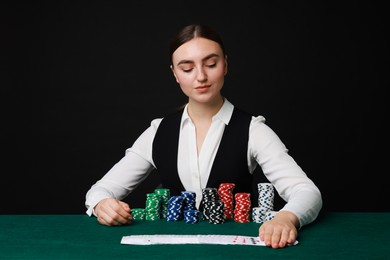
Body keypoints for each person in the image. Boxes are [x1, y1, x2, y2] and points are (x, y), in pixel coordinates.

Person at [85, 23, 322, 249]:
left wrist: (288, 218)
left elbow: (307, 191)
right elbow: (100, 190)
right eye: (187, 68)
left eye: (210, 64)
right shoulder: (159, 132)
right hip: (171, 253)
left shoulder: (253, 130)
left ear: (225, 65)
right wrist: (101, 205)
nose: (200, 76)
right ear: (175, 73)